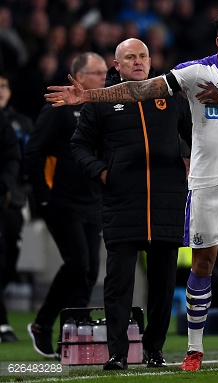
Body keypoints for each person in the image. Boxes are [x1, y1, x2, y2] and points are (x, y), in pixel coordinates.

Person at [45, 9, 218, 371]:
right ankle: (194, 349)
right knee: (203, 264)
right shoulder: (194, 72)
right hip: (207, 181)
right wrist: (89, 97)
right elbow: (138, 90)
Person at [71, 38, 192, 370]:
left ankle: (155, 350)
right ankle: (117, 354)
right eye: (130, 58)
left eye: (142, 56)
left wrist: (193, 160)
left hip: (167, 204)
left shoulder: (173, 97)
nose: (137, 62)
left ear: (151, 62)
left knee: (163, 286)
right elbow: (79, 146)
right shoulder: (102, 103)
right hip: (122, 202)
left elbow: (197, 136)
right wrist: (103, 172)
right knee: (119, 284)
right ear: (117, 66)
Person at [24, 52, 106, 358]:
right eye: (97, 73)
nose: (103, 78)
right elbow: (34, 151)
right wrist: (43, 195)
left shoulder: (102, 108)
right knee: (78, 265)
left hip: (92, 201)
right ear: (79, 77)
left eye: (104, 73)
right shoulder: (59, 108)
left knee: (88, 272)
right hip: (61, 201)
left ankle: (71, 336)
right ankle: (42, 324)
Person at [0, 71, 34, 343]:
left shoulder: (20, 123)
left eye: (4, 86)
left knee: (10, 260)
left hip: (14, 201)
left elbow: (24, 159)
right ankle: (2, 322)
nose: (0, 91)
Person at [0, 111, 21, 344]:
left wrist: (4, 183)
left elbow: (12, 157)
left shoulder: (5, 122)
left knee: (5, 261)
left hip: (7, 204)